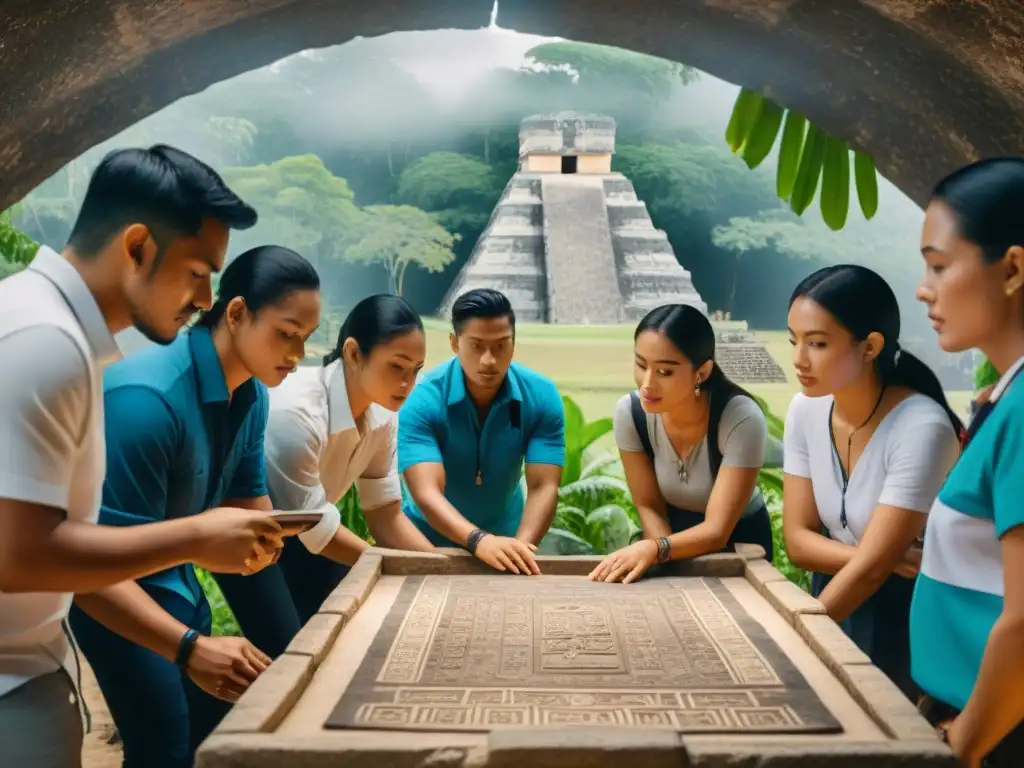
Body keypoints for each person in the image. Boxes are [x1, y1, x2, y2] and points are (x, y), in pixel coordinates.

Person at [0, 146, 286, 767]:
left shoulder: (51, 330)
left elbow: (58, 546)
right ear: (136, 247)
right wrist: (194, 538)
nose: (205, 297)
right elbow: (19, 554)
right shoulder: (44, 342)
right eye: (196, 272)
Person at [67, 245, 321, 768]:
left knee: (212, 734)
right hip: (114, 598)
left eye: (306, 339)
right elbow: (87, 570)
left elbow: (247, 506)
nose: (297, 354)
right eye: (285, 333)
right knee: (165, 743)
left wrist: (294, 638)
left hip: (179, 587)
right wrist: (188, 647)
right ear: (235, 313)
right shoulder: (148, 399)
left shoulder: (251, 394)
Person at [782, 264, 962, 700]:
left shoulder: (921, 427)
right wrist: (872, 556)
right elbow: (797, 542)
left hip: (909, 618)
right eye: (794, 341)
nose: (799, 360)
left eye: (818, 344)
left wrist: (790, 649)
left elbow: (874, 570)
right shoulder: (805, 410)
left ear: (871, 346)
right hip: (836, 596)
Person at [911, 158, 1024, 767]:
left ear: (1011, 269)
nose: (924, 288)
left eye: (938, 265)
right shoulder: (1005, 397)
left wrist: (966, 745)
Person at [261, 294, 436, 625]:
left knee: (351, 626)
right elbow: (317, 531)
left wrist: (441, 569)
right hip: (249, 540)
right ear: (354, 353)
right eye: (396, 367)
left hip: (311, 529)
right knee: (285, 652)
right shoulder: (297, 412)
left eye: (415, 371)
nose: (407, 384)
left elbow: (384, 513)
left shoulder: (384, 410)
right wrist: (392, 567)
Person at [588, 304, 773, 584]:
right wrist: (662, 551)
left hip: (738, 543)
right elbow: (648, 504)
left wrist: (657, 548)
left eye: (665, 372)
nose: (647, 384)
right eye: (641, 365)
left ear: (701, 372)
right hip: (665, 538)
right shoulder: (631, 413)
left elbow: (716, 530)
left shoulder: (740, 418)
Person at [399, 288, 564, 575]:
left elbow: (543, 486)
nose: (489, 360)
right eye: (476, 346)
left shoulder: (542, 394)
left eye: (501, 346)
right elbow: (426, 493)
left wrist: (520, 553)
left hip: (508, 540)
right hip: (425, 540)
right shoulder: (423, 399)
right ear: (454, 343)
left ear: (514, 343)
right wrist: (478, 540)